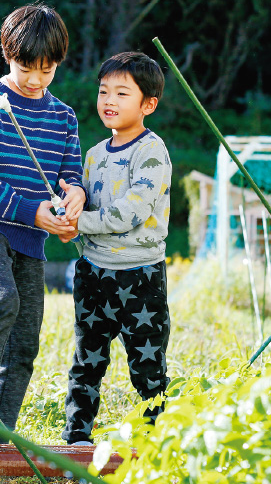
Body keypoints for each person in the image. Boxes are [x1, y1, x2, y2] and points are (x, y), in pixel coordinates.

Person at [0, 4, 86, 451]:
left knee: (26, 336)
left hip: (31, 237)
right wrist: (31, 211)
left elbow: (72, 176)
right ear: (8, 53)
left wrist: (73, 202)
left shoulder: (64, 118)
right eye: (26, 68)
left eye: (46, 71)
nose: (34, 80)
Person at [58, 52, 173, 446]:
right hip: (93, 274)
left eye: (123, 93)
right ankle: (77, 435)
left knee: (147, 366)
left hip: (141, 277)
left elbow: (131, 213)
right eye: (104, 91)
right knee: (87, 359)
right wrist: (66, 222)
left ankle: (154, 439)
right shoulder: (93, 155)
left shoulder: (151, 152)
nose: (110, 100)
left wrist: (80, 223)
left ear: (148, 104)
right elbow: (84, 209)